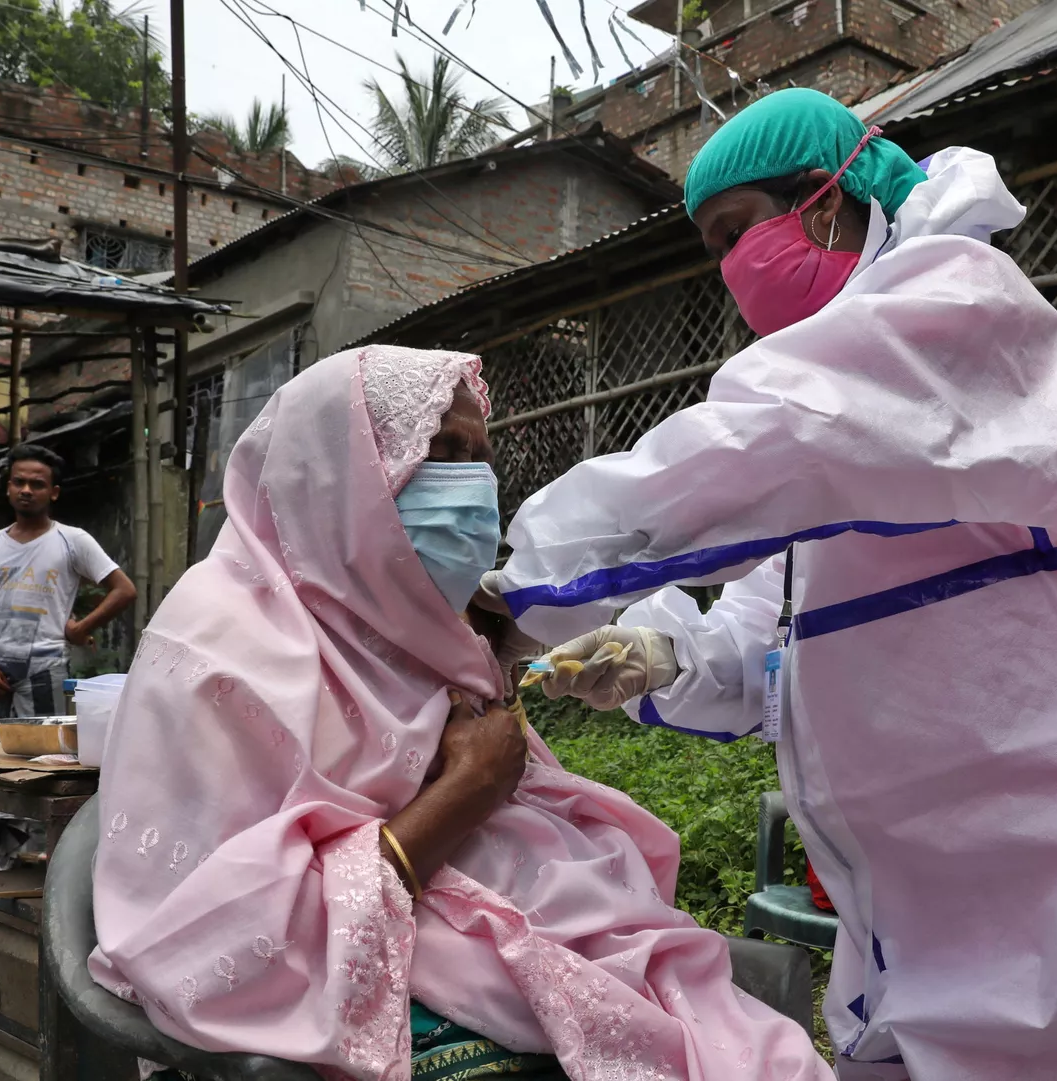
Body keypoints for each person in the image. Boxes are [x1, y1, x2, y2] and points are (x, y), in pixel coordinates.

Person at [474, 89, 1057, 1081]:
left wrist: (516, 592)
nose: (731, 270)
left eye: (736, 230)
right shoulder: (850, 421)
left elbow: (750, 447)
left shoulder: (953, 305)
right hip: (923, 895)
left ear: (826, 196)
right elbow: (776, 639)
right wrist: (659, 655)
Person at [88, 346, 831, 1081]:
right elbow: (214, 941)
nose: (471, 484)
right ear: (334, 474)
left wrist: (522, 658)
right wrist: (468, 790)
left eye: (479, 456)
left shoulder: (412, 622)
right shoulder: (217, 648)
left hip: (499, 927)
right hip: (378, 964)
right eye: (439, 450)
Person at [0, 443, 136, 736]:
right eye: (19, 482)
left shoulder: (72, 540)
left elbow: (124, 589)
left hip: (44, 667)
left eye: (37, 484)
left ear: (53, 492)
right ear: (8, 488)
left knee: (41, 753)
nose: (26, 490)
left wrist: (81, 628)